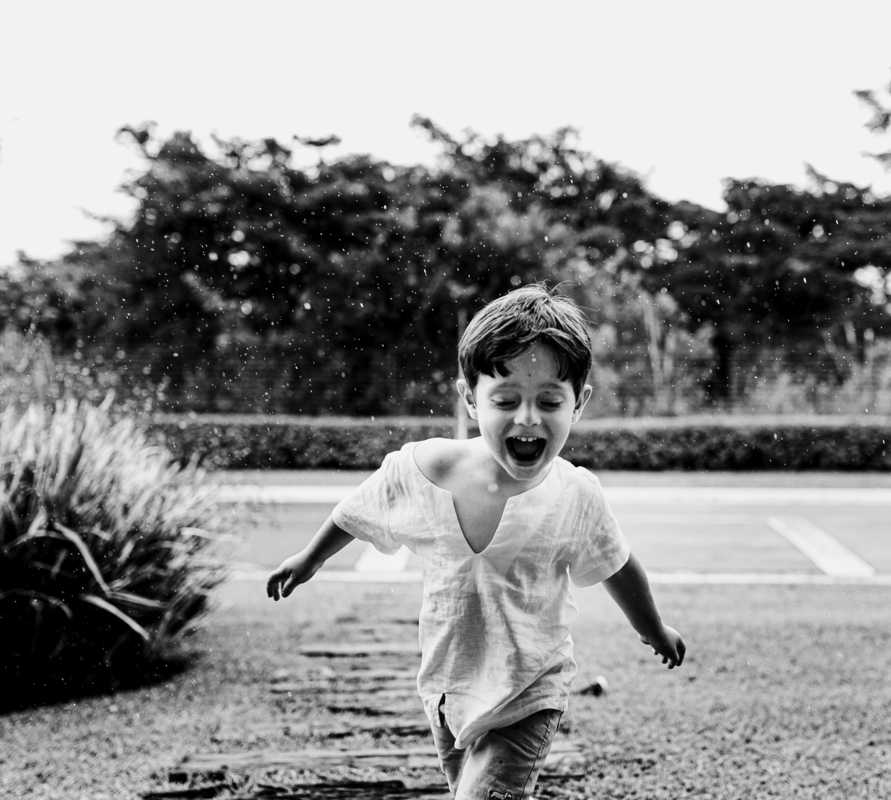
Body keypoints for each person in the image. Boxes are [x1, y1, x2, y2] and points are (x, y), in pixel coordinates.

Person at [266, 284, 686, 800]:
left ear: (579, 402)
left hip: (530, 689)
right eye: (505, 400)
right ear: (469, 397)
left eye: (550, 401)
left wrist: (654, 629)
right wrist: (310, 558)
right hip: (449, 687)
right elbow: (362, 508)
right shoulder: (428, 469)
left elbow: (619, 566)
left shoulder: (575, 495)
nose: (528, 418)